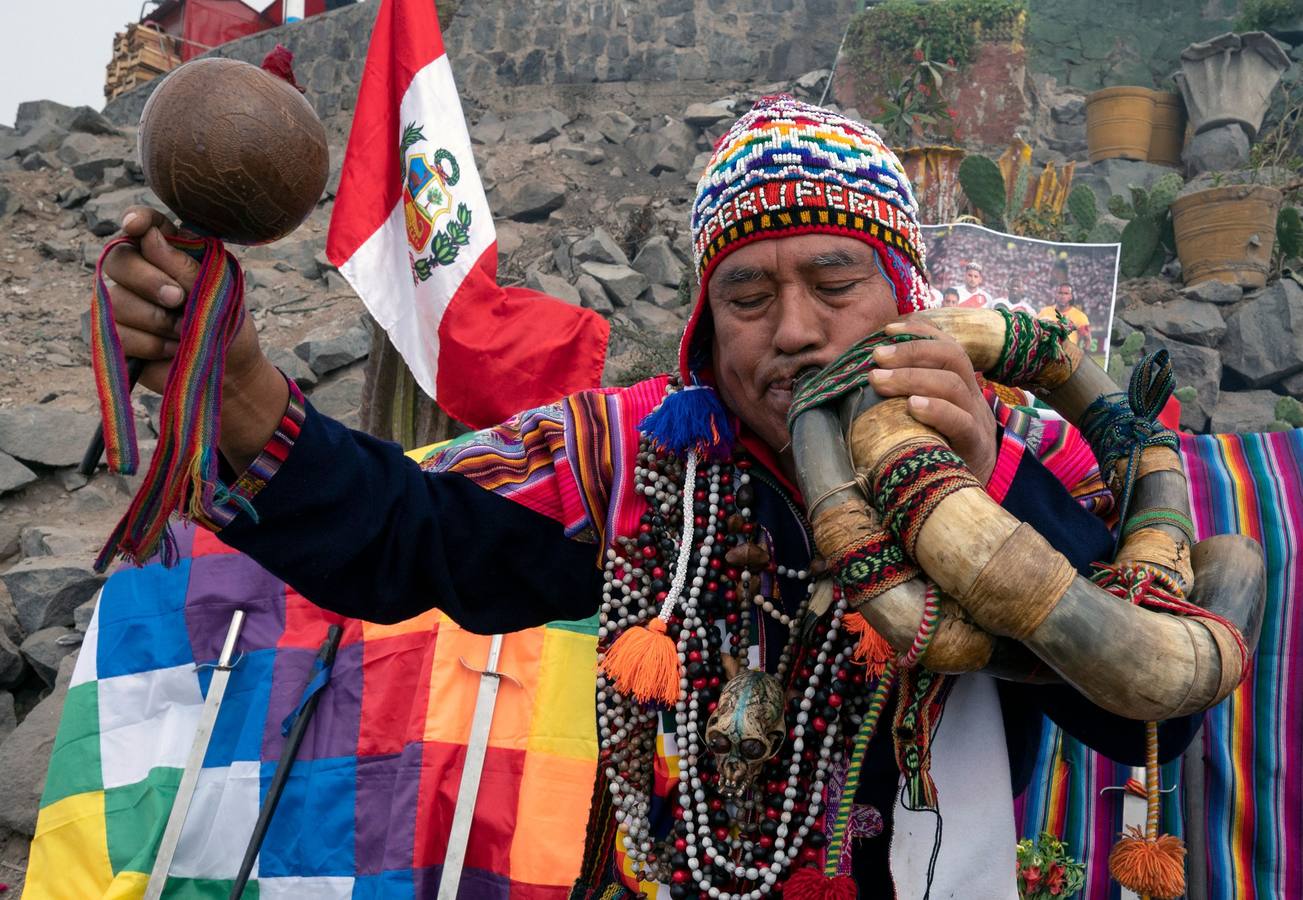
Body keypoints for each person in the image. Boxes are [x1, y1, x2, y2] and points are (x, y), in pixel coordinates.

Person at [98, 96, 1195, 898]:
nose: (797, 330)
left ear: (905, 296)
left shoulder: (1032, 453)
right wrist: (238, 389)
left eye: (836, 281)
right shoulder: (632, 455)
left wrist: (982, 482)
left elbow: (1148, 705)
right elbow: (409, 538)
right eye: (748, 293)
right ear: (705, 326)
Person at [1039, 282, 1092, 349]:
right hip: (1046, 355)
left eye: (1066, 293)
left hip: (1067, 356)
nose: (1062, 296)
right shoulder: (1044, 312)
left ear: (1071, 297)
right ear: (1056, 295)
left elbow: (1087, 340)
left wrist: (1081, 356)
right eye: (1060, 293)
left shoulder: (1079, 316)